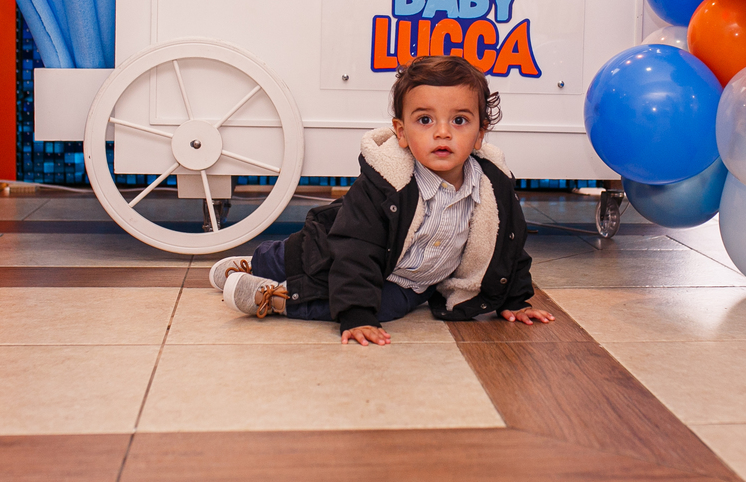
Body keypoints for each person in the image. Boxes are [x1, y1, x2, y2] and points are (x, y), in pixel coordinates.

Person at [211, 55, 555, 345]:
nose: (442, 132)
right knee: (296, 257)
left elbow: (509, 245)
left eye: (460, 120)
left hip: (405, 279)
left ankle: (279, 299)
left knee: (381, 309)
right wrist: (354, 314)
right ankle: (255, 264)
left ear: (480, 133)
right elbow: (356, 247)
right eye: (425, 120)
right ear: (401, 132)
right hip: (335, 245)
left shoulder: (493, 189)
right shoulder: (386, 184)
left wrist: (515, 300)